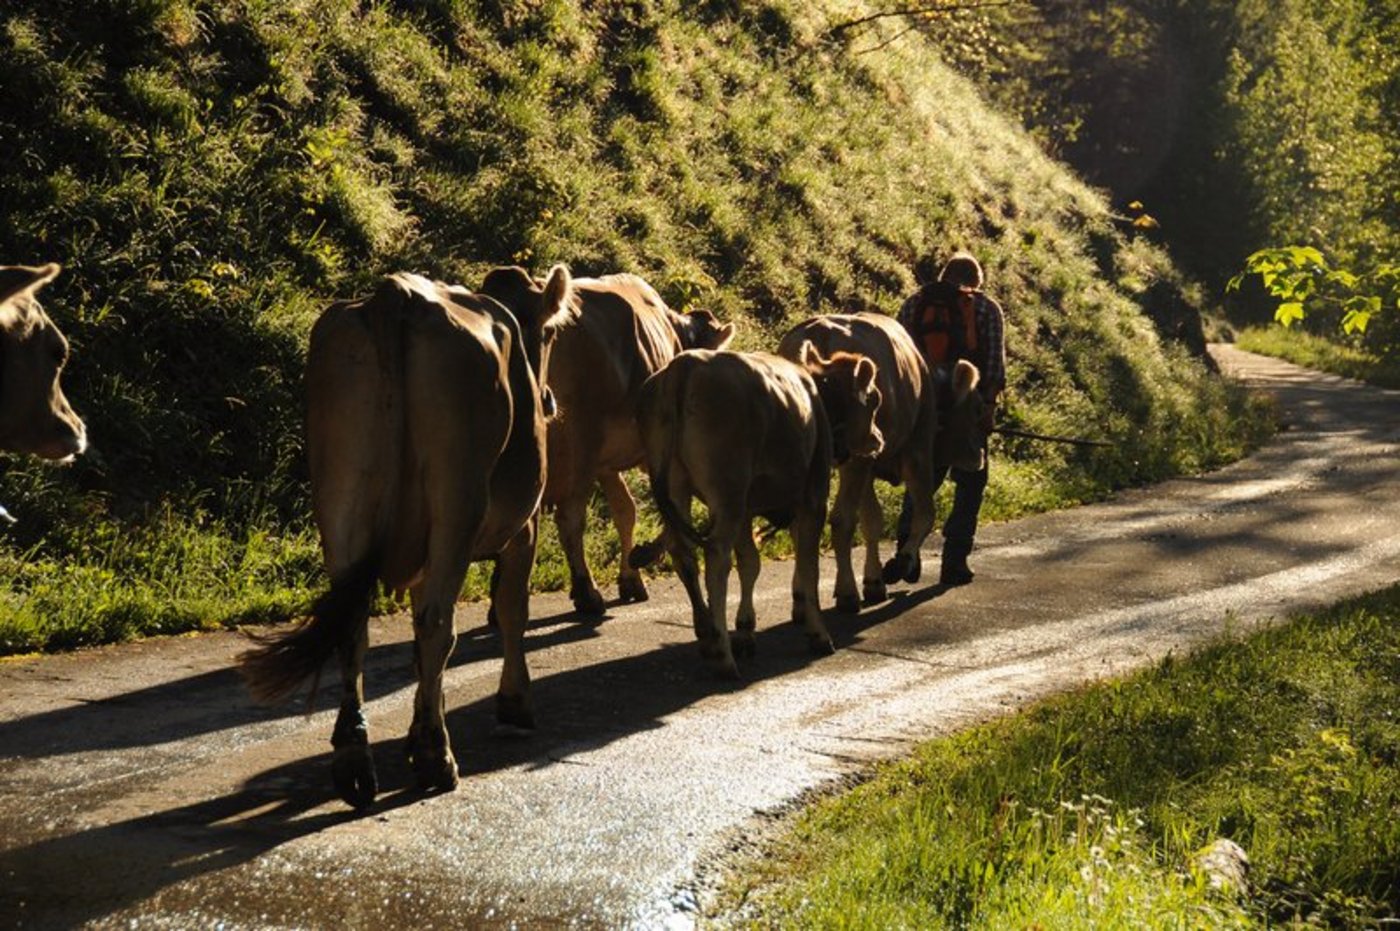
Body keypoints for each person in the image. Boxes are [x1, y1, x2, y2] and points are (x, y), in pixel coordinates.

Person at [895, 251, 1006, 586]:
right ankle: (954, 562)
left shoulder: (914, 303)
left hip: (922, 408)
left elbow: (898, 356)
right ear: (976, 282)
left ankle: (907, 551)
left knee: (920, 481)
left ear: (944, 275)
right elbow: (993, 365)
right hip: (965, 407)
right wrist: (988, 408)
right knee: (970, 484)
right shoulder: (985, 308)